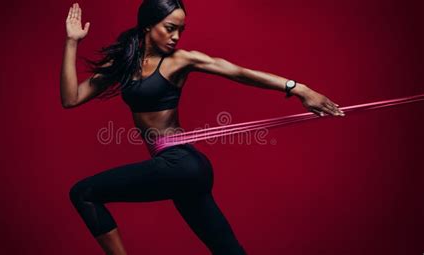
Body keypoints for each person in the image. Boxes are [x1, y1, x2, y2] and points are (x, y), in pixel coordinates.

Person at [60, 1, 345, 254]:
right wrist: (72, 42)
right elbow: (70, 99)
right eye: (170, 28)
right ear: (148, 25)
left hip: (181, 164)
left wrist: (299, 88)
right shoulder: (123, 63)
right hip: (183, 170)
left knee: (83, 193)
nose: (176, 37)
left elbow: (237, 72)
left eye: (180, 31)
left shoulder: (180, 61)